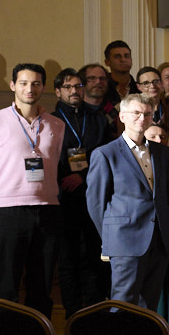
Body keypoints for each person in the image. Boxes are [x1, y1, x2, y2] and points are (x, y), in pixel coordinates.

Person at [0, 62, 67, 313]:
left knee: (42, 286)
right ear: (13, 85)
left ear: (43, 87)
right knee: (6, 286)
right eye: (23, 83)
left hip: (48, 210)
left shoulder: (56, 125)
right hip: (8, 213)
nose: (30, 89)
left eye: (36, 83)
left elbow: (55, 165)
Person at [84, 94, 169, 309]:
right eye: (136, 113)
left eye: (147, 114)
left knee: (150, 304)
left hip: (160, 239)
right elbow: (96, 204)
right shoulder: (105, 153)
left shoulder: (163, 152)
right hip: (124, 239)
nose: (142, 118)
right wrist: (113, 236)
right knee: (123, 303)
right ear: (122, 117)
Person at [51, 67, 115, 312]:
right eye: (67, 87)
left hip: (93, 193)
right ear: (58, 91)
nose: (74, 91)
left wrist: (82, 175)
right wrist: (65, 178)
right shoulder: (51, 121)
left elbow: (108, 154)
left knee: (94, 255)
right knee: (67, 259)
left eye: (78, 86)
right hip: (63, 198)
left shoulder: (98, 118)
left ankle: (94, 310)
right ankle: (72, 312)